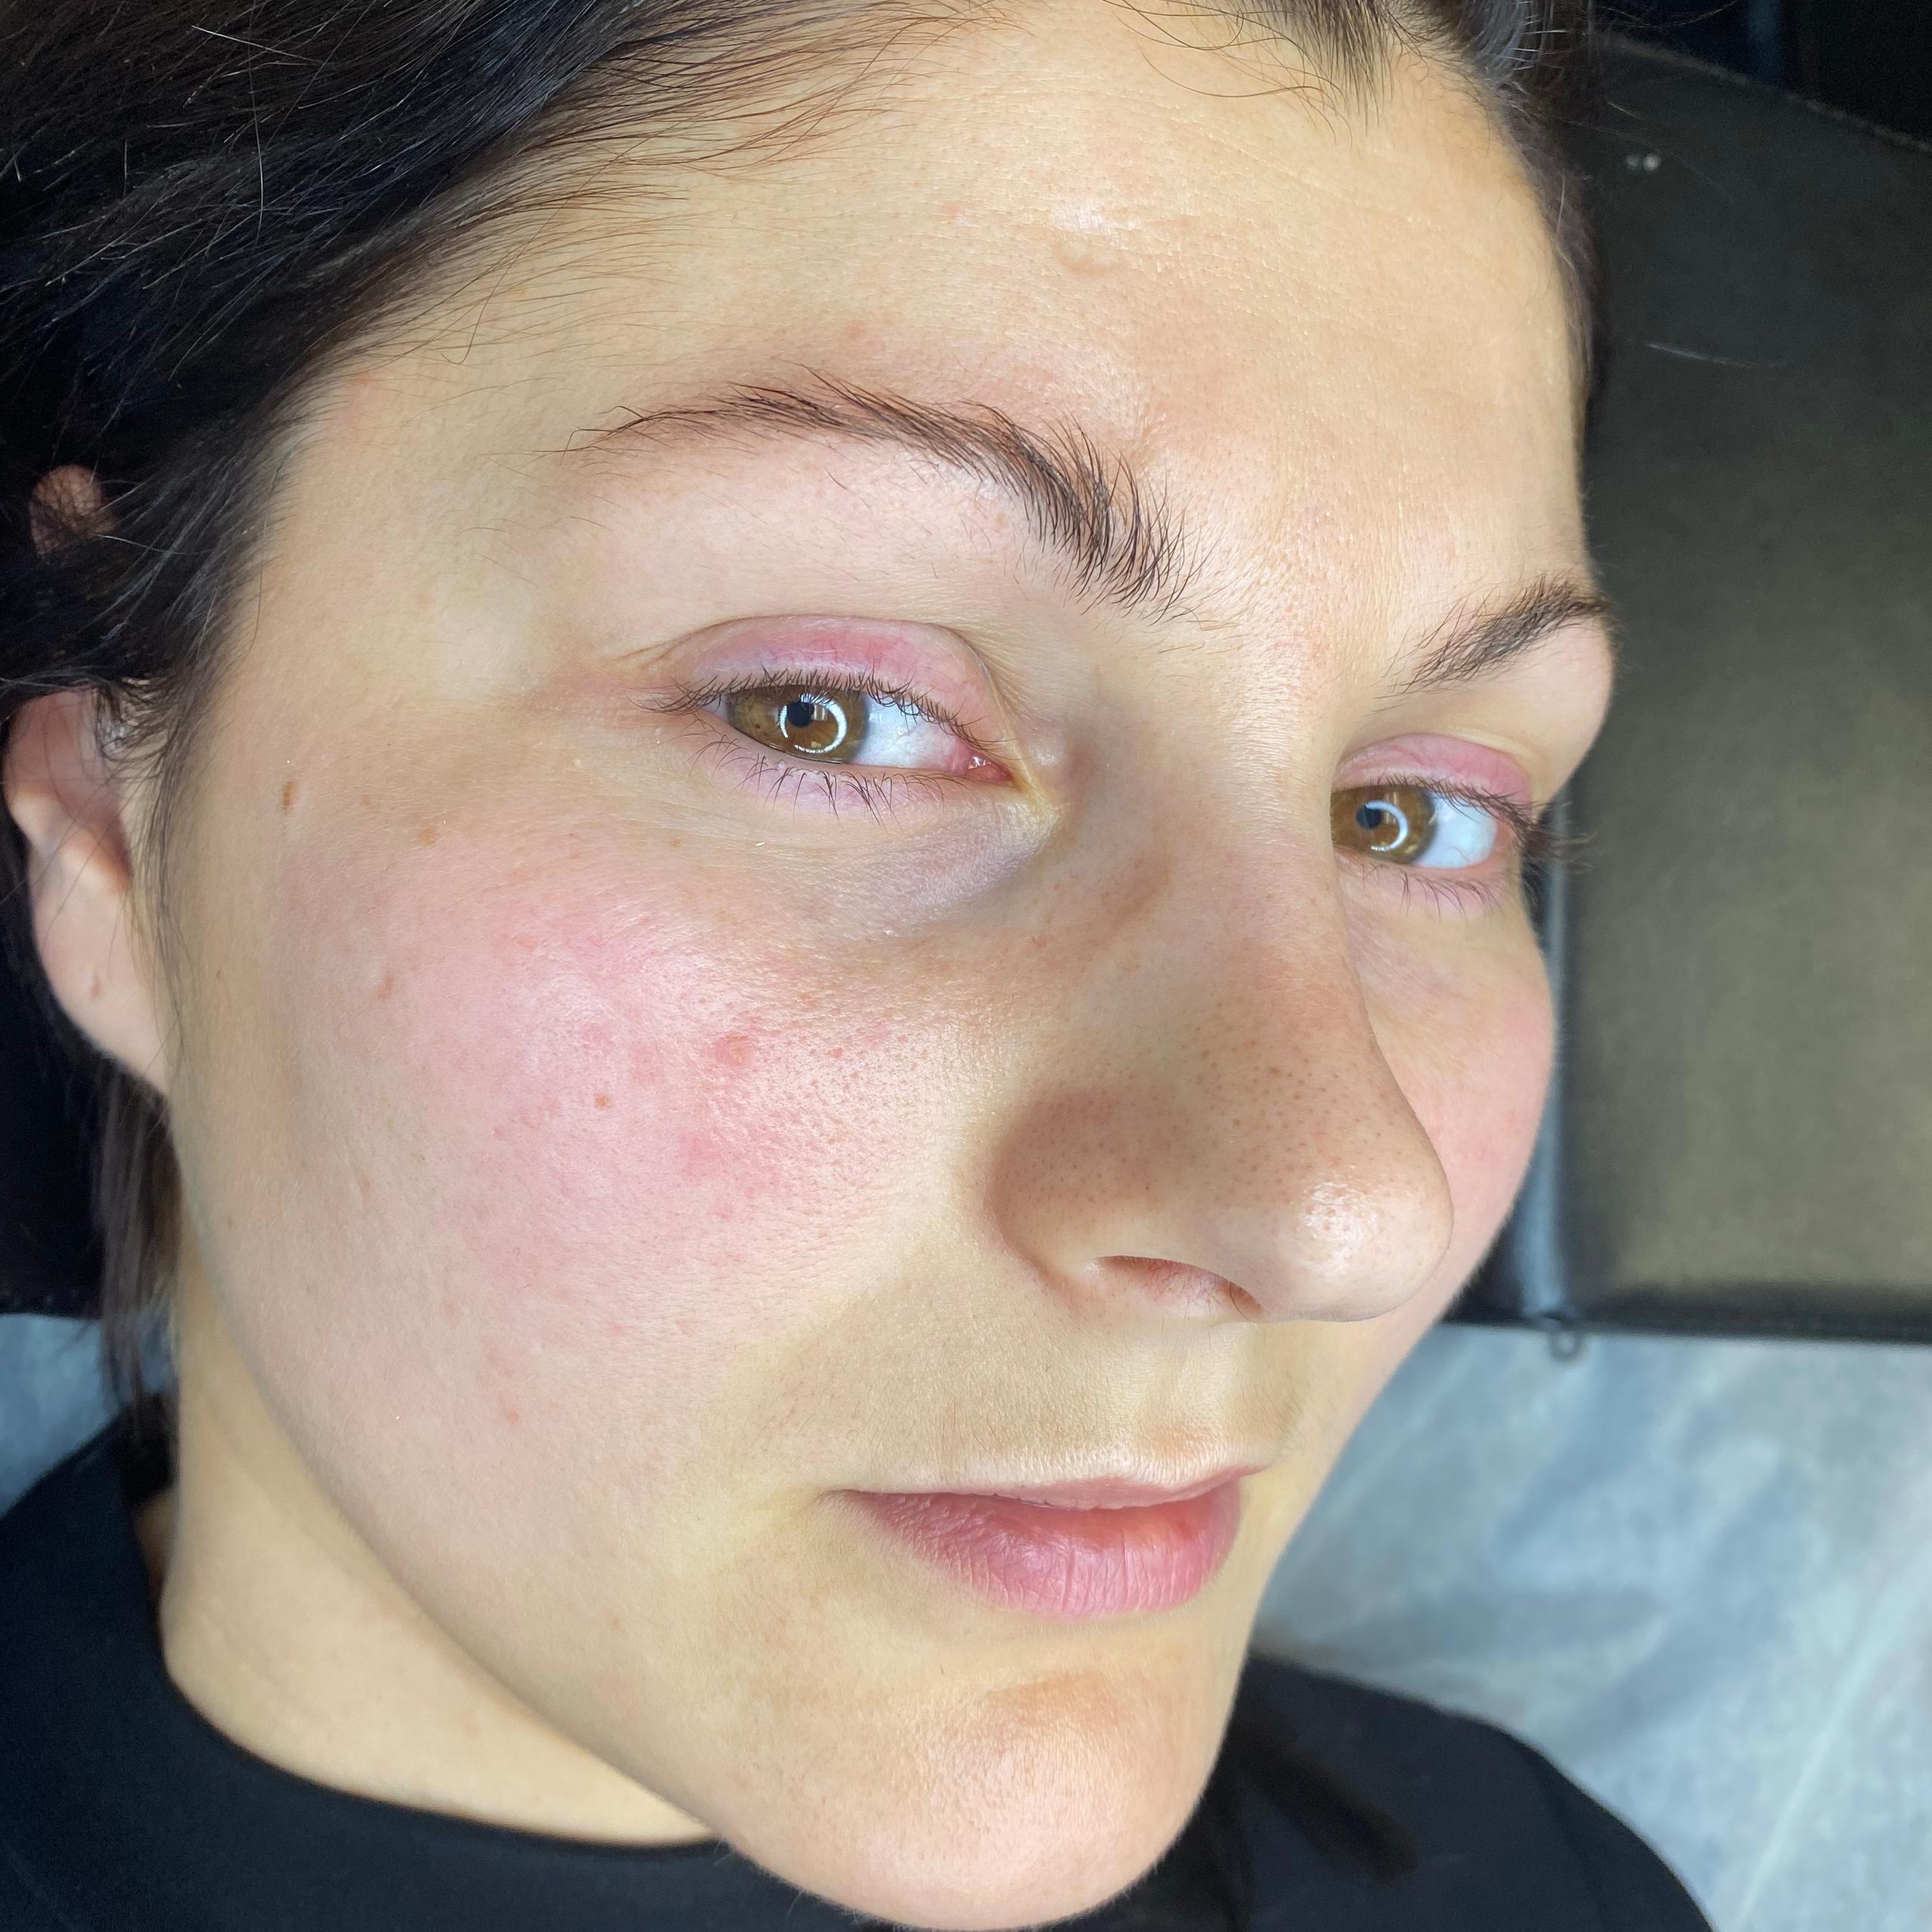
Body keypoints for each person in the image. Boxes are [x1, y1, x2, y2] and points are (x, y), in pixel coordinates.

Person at [0, 1, 1712, 1927]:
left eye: (1407, 815)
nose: (1341, 1205)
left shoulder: (1533, 1885)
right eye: (829, 713)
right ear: (111, 831)